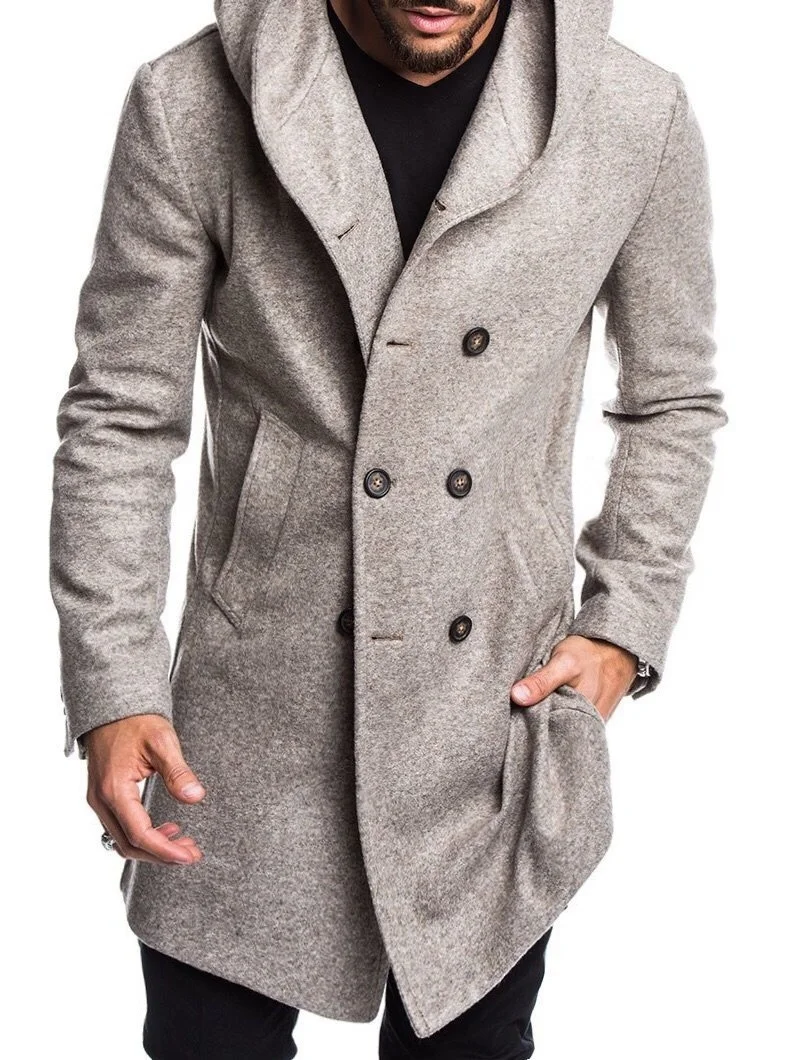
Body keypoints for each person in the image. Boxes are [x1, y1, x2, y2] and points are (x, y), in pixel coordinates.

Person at [48, 1, 727, 1057]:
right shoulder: (188, 103)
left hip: (488, 712)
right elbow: (121, 416)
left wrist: (622, 622)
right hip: (252, 712)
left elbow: (670, 399)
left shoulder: (633, 114)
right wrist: (114, 683)